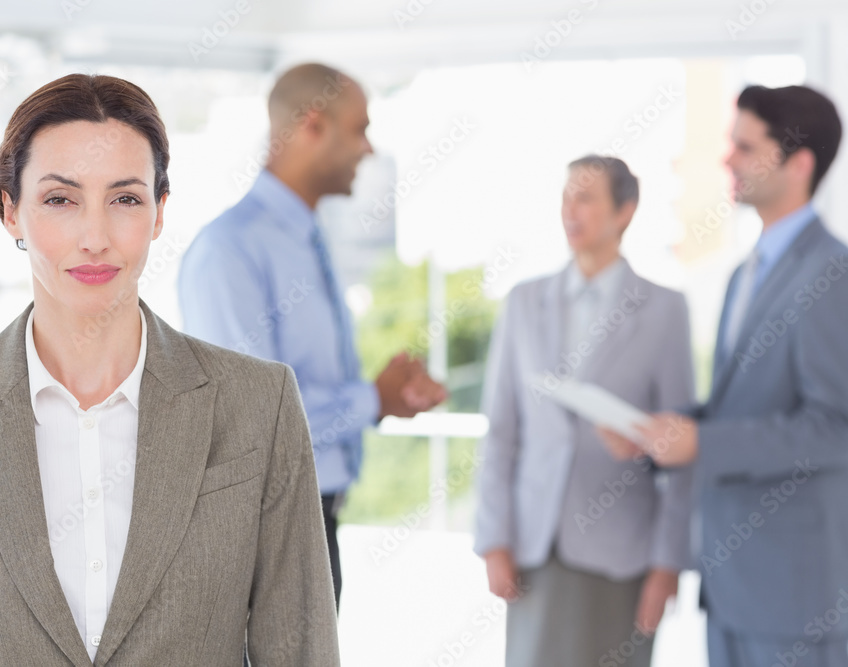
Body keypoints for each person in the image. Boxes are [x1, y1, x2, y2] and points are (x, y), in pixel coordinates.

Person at [0, 73, 339, 666]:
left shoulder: (260, 403)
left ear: (160, 213)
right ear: (10, 211)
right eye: (60, 199)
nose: (94, 237)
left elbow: (301, 650)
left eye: (125, 199)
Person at [178, 63, 447, 611]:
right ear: (314, 126)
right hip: (262, 536)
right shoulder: (231, 251)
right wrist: (374, 398)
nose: (368, 150)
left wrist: (383, 395)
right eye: (359, 129)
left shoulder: (307, 236)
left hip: (312, 524)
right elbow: (252, 420)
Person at [599, 85, 848, 667]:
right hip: (733, 588)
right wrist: (657, 434)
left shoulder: (832, 273)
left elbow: (835, 426)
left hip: (796, 599)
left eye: (744, 145)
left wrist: (702, 442)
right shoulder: (746, 272)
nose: (726, 159)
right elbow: (744, 408)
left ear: (800, 163)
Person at [474, 155, 695, 666]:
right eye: (566, 196)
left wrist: (667, 565)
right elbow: (501, 431)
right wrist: (494, 540)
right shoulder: (525, 302)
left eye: (587, 198)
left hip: (623, 552)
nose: (571, 210)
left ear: (626, 212)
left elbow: (681, 446)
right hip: (533, 545)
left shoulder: (664, 310)